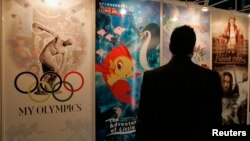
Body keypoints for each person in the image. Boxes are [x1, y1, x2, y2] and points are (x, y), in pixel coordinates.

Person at [135, 25, 223, 141]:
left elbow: (143, 122)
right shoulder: (211, 78)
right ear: (193, 48)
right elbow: (215, 122)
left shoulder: (151, 78)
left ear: (170, 47)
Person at [32, 23, 74, 88]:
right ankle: (49, 85)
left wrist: (60, 71)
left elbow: (63, 63)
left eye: (69, 44)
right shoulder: (59, 39)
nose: (66, 43)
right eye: (67, 41)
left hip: (48, 59)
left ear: (69, 45)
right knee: (56, 69)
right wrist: (39, 26)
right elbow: (49, 31)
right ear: (66, 40)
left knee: (48, 75)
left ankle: (46, 88)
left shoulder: (65, 51)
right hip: (44, 56)